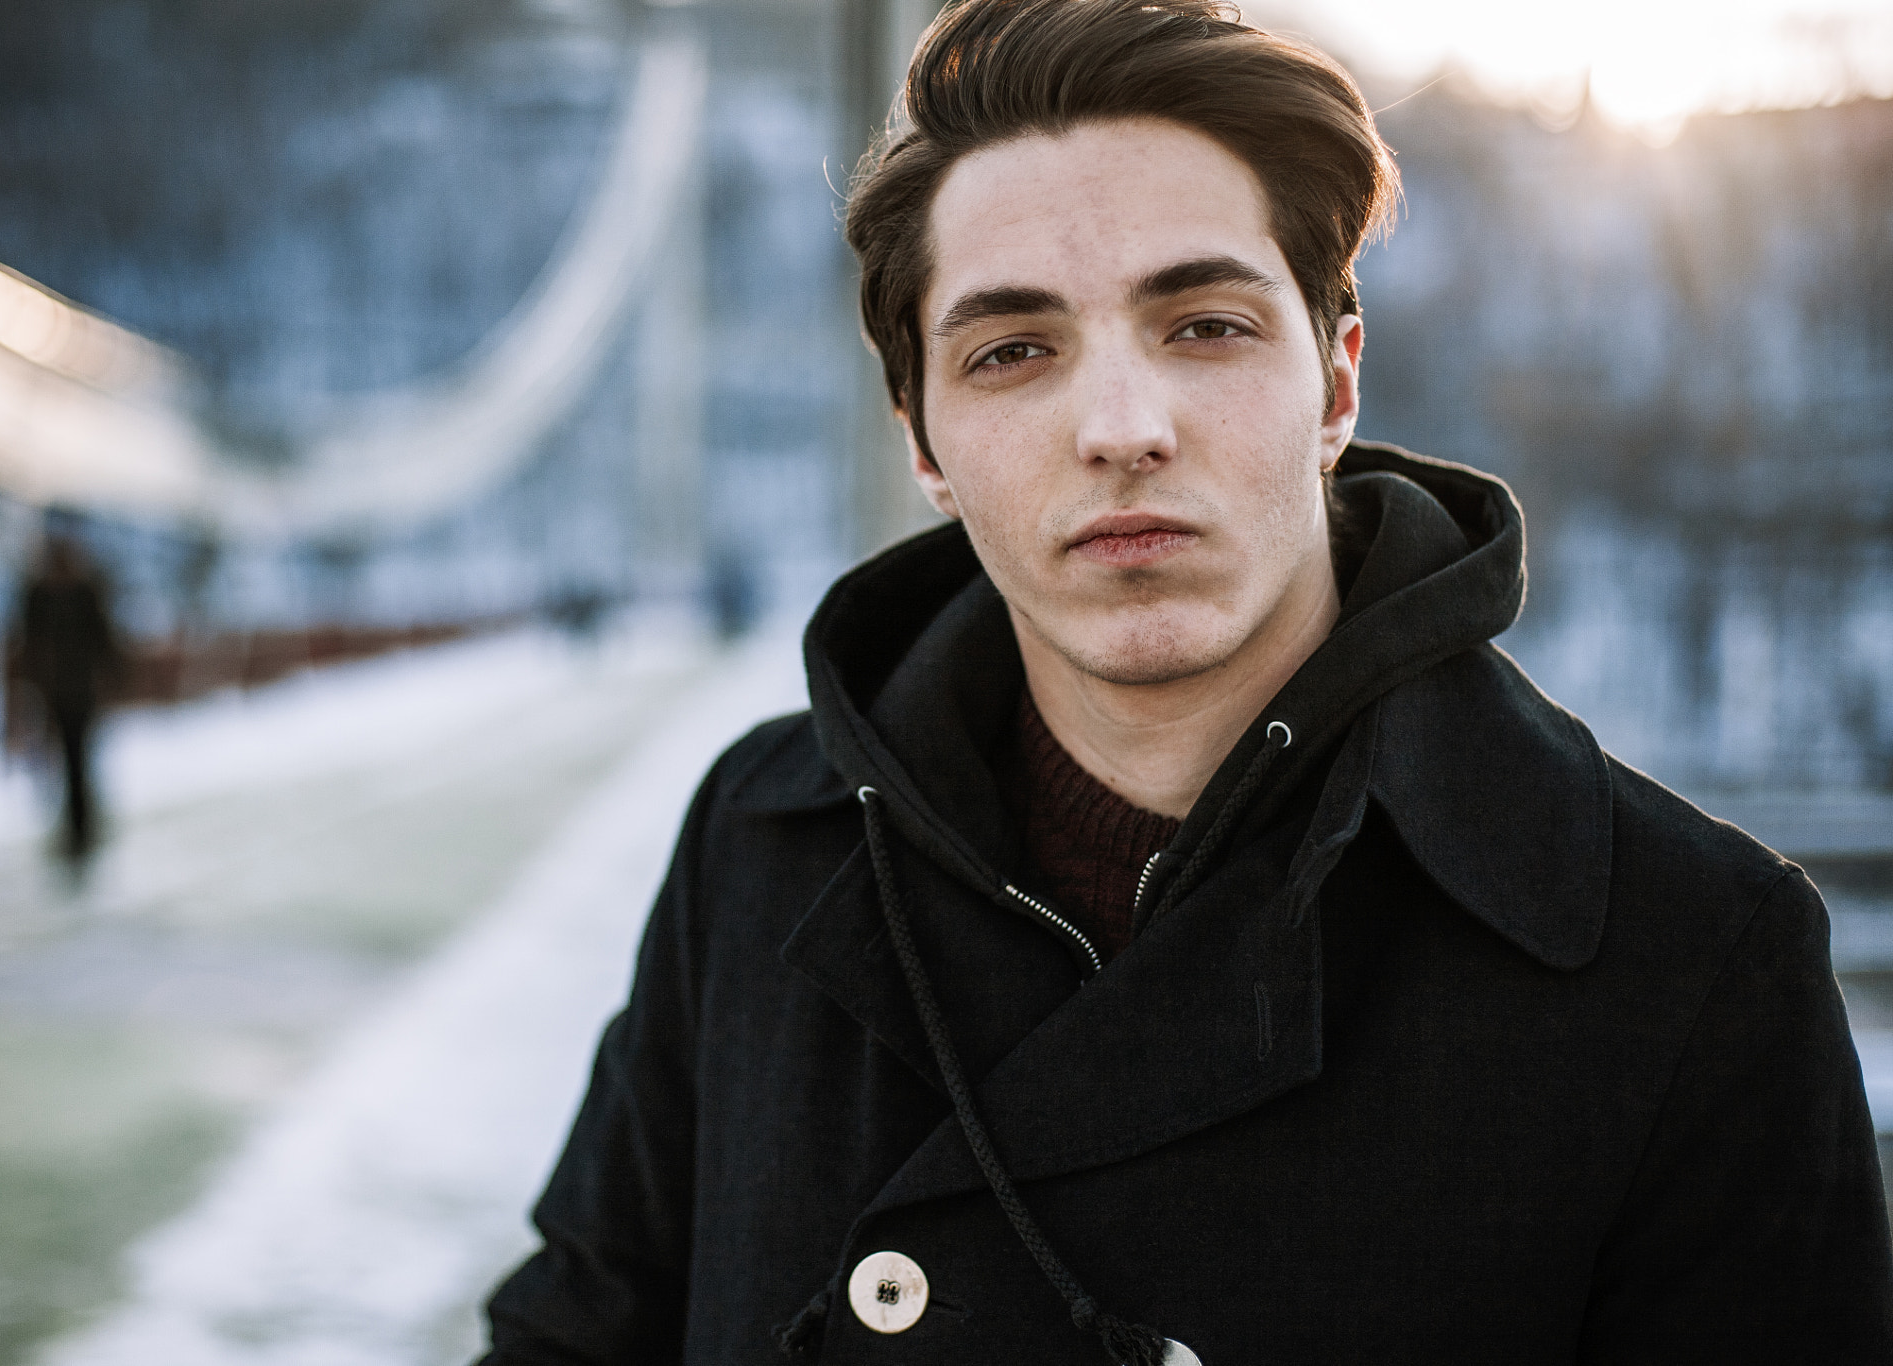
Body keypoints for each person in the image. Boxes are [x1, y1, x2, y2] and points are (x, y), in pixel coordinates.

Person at [478, 2, 1893, 1361]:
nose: (1120, 428)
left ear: (1336, 381)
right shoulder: (761, 841)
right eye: (1014, 351)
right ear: (922, 436)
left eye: (1204, 325)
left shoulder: (1687, 955)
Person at [9, 530, 123, 861]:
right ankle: (74, 828)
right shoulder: (40, 595)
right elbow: (28, 641)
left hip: (79, 693)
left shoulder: (82, 593)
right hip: (53, 693)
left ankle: (81, 830)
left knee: (77, 759)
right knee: (61, 760)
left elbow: (102, 639)